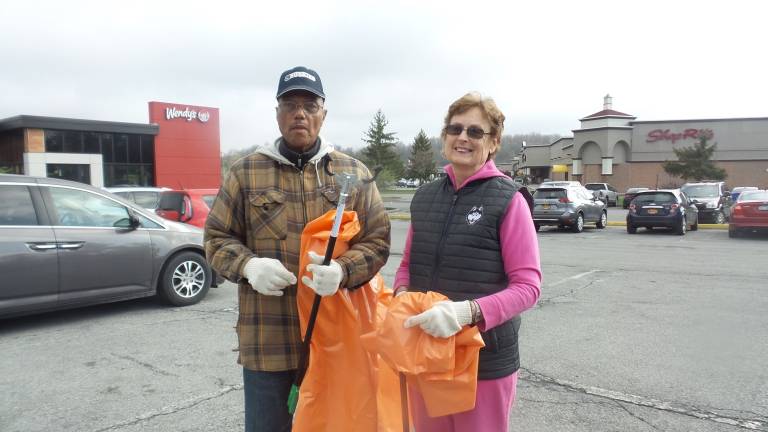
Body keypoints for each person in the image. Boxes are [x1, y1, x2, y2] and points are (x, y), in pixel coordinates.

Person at [204, 66, 391, 432]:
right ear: (277, 113)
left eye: (310, 104)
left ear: (323, 113)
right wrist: (248, 266)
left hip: (336, 341)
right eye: (290, 104)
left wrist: (343, 271)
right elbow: (215, 238)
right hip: (268, 343)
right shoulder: (245, 173)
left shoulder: (352, 173)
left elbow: (379, 239)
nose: (300, 113)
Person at [394, 92, 541, 431]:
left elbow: (528, 287)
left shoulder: (509, 199)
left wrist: (467, 313)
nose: (462, 137)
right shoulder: (425, 197)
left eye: (475, 132)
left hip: (483, 363)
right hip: (427, 353)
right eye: (455, 128)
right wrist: (403, 296)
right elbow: (407, 267)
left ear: (493, 143)